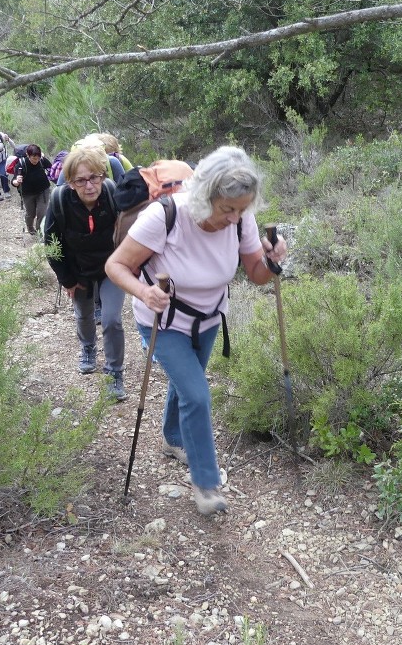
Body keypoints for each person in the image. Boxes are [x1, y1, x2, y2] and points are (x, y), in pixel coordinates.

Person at [105, 146, 288, 516]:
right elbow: (116, 265)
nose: (235, 217)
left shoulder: (241, 219)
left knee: (188, 383)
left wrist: (272, 262)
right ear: (206, 197)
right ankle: (206, 483)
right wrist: (145, 292)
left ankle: (172, 438)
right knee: (197, 394)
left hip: (208, 319)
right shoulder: (165, 215)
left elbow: (256, 274)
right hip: (164, 321)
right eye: (227, 209)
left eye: (242, 209)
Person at [43, 145, 127, 400]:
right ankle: (88, 347)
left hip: (111, 268)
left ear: (102, 176)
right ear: (70, 182)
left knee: (112, 320)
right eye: (81, 180)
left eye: (94, 177)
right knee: (84, 316)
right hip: (78, 271)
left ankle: (114, 373)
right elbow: (52, 245)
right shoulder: (59, 201)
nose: (89, 185)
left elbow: (129, 230)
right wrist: (66, 279)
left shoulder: (111, 194)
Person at [13, 144, 52, 236]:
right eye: (33, 158)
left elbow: (52, 168)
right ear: (28, 155)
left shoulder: (42, 160)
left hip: (43, 191)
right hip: (28, 193)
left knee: (42, 213)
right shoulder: (21, 164)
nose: (36, 161)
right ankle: (30, 227)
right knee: (31, 214)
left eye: (37, 158)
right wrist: (17, 181)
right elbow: (13, 181)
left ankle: (40, 231)